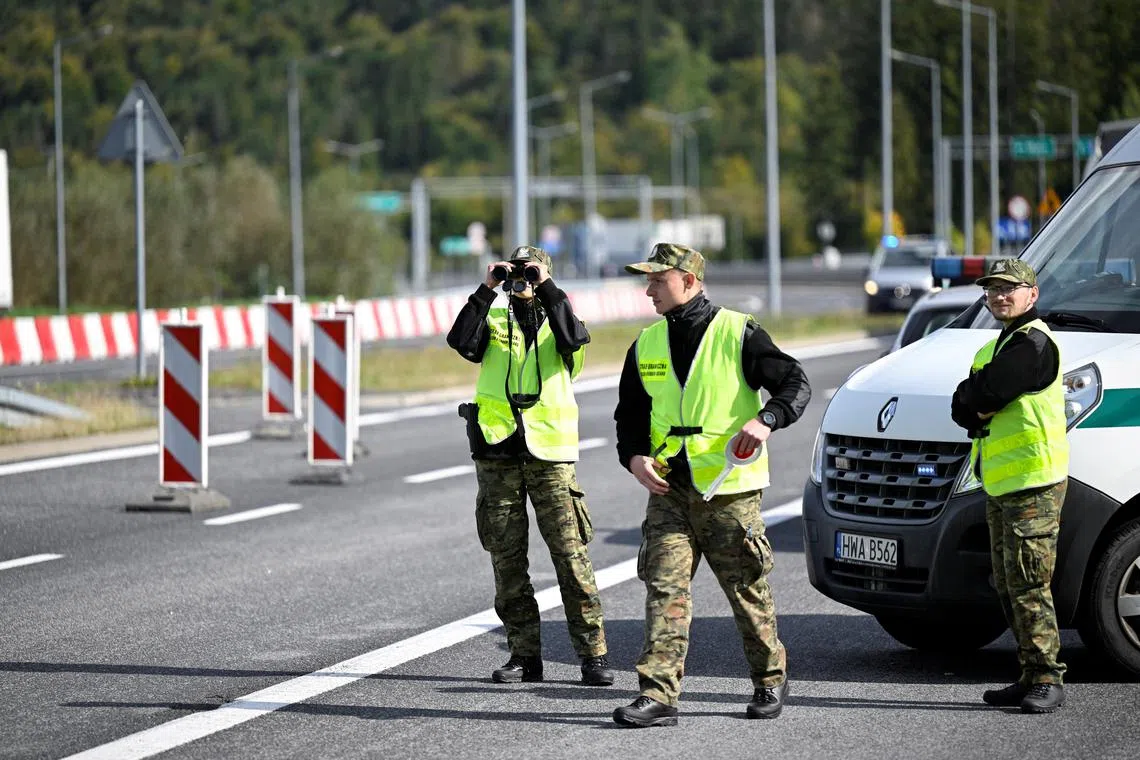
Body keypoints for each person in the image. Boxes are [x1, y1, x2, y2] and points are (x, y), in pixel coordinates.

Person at [610, 243, 811, 727]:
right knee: (664, 588)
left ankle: (769, 679)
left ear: (690, 280)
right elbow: (630, 417)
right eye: (648, 280)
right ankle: (658, 695)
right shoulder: (646, 342)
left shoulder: (737, 332)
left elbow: (795, 383)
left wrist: (766, 420)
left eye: (659, 280)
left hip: (728, 488)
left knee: (745, 588)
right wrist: (634, 458)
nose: (649, 289)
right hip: (670, 489)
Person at [446, 245, 614, 687]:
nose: (521, 280)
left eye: (529, 273)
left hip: (550, 455)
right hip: (498, 449)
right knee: (506, 559)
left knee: (571, 557)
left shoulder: (562, 319)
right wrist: (487, 290)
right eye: (516, 273)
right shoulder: (495, 316)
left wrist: (547, 288)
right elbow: (461, 342)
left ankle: (593, 655)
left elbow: (574, 342)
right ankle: (524, 656)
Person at [951, 258, 1069, 714]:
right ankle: (1028, 674)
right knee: (1007, 583)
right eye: (993, 289)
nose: (1000, 296)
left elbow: (985, 394)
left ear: (1032, 295)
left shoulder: (1033, 343)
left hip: (1033, 483)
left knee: (1028, 583)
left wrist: (974, 399)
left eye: (1010, 289)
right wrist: (973, 400)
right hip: (1003, 483)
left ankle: (1046, 678)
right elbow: (966, 402)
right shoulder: (998, 345)